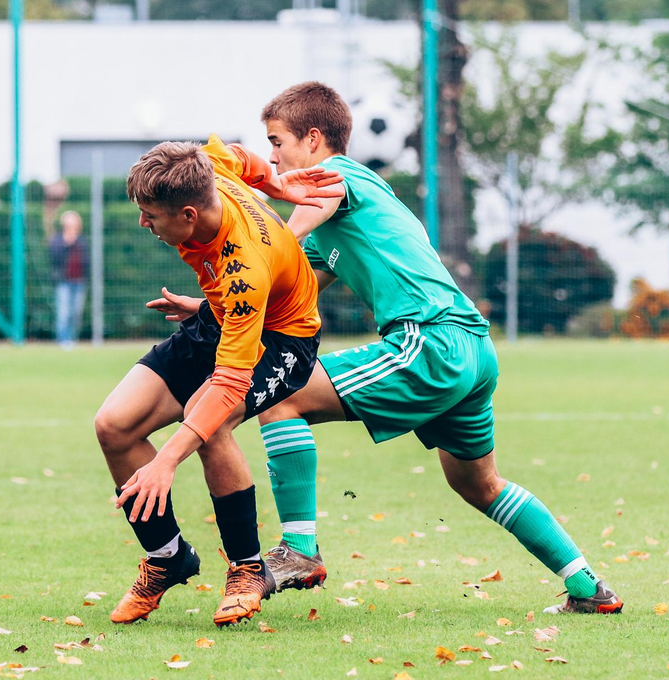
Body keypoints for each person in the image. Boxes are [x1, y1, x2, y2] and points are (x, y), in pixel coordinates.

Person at [147, 82, 622, 615]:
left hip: (430, 340)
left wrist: (250, 225)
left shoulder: (337, 176)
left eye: (277, 142)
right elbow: (288, 286)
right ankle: (589, 588)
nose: (272, 157)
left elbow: (280, 240)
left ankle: (299, 549)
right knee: (479, 484)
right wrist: (208, 307)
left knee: (284, 396)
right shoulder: (344, 214)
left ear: (313, 139)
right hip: (471, 346)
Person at [95, 135, 344, 627]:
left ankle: (247, 569)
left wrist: (166, 462)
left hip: (282, 338)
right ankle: (168, 558)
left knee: (210, 421)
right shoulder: (205, 168)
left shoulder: (244, 267)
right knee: (114, 425)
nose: (143, 223)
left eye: (150, 214)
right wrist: (277, 185)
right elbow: (237, 153)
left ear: (188, 215)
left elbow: (229, 384)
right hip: (223, 315)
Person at [50, 210, 88, 349]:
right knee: (64, 312)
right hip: (64, 281)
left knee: (76, 313)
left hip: (79, 281)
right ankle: (62, 340)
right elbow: (54, 258)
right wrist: (66, 244)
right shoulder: (58, 240)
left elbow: (87, 260)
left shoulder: (82, 240)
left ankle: (72, 339)